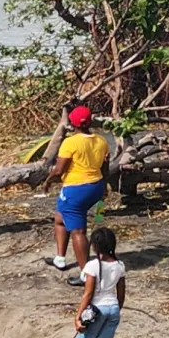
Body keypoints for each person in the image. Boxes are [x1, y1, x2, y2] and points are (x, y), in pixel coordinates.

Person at [61, 227, 126, 338]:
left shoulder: (92, 266)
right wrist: (116, 310)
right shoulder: (120, 266)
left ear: (95, 246)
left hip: (95, 309)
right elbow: (121, 293)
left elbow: (88, 293)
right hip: (113, 308)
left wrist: (78, 316)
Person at [46, 101, 114, 273]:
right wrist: (104, 187)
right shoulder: (101, 141)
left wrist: (48, 180)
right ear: (90, 122)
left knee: (78, 231)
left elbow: (59, 169)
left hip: (76, 189)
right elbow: (104, 167)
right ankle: (60, 258)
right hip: (96, 186)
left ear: (72, 123)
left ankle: (86, 273)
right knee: (60, 218)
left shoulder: (70, 143)